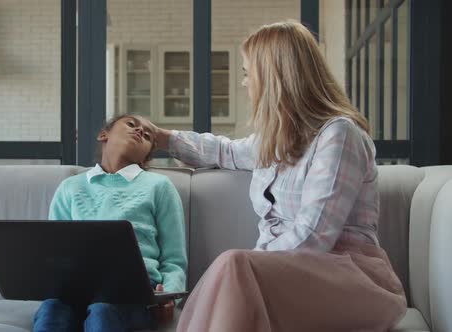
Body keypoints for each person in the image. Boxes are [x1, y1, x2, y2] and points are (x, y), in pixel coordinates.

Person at [149, 21, 406, 332]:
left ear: (273, 79)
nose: (244, 83)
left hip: (353, 281)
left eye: (247, 73)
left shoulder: (339, 135)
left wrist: (254, 265)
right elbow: (223, 151)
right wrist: (159, 137)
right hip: (288, 279)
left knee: (235, 265)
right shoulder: (278, 140)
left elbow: (314, 236)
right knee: (237, 270)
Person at [33, 115, 187, 332]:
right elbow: (53, 252)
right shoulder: (70, 187)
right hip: (75, 288)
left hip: (134, 291)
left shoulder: (159, 186)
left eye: (147, 135)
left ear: (146, 157)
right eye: (131, 125)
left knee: (103, 311)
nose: (139, 132)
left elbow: (174, 259)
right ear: (103, 135)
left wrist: (169, 295)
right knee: (52, 310)